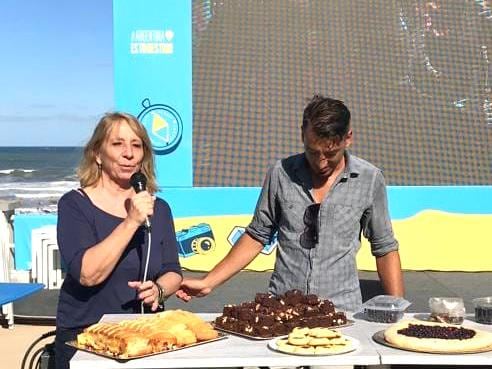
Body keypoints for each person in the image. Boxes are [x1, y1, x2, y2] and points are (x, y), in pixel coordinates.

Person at [177, 94, 404, 311]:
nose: (322, 162)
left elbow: (384, 248)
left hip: (343, 312)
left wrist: (397, 311)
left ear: (348, 138)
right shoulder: (280, 173)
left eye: (331, 153)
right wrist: (209, 281)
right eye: (313, 152)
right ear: (302, 135)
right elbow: (257, 235)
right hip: (283, 307)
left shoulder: (370, 179)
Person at [54, 112, 182, 369]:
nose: (129, 153)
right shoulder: (75, 205)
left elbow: (173, 272)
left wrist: (158, 290)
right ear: (98, 154)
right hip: (89, 336)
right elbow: (88, 274)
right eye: (118, 144)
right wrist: (131, 222)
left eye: (137, 145)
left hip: (145, 334)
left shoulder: (160, 209)